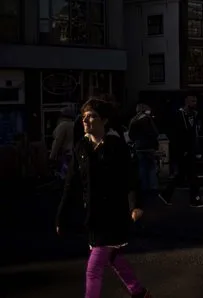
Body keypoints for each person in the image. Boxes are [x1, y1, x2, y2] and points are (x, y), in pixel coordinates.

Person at [56, 98, 151, 298]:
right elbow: (71, 184)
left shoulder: (116, 146)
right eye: (84, 117)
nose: (86, 121)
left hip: (113, 215)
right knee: (113, 257)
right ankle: (138, 291)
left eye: (92, 117)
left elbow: (131, 179)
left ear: (104, 120)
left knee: (94, 267)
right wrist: (61, 216)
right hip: (92, 216)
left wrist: (135, 205)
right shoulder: (81, 147)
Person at [158, 94, 203, 208]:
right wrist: (181, 149)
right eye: (192, 100)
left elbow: (193, 134)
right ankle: (194, 200)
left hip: (189, 150)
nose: (195, 103)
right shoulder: (179, 115)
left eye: (196, 101)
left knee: (181, 176)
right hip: (184, 151)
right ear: (186, 101)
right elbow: (176, 134)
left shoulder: (194, 115)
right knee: (193, 176)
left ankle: (166, 194)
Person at [128, 104, 160, 192]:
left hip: (138, 147)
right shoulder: (148, 119)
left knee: (141, 167)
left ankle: (143, 187)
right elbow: (155, 132)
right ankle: (153, 188)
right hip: (149, 146)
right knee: (151, 167)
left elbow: (130, 135)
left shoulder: (133, 120)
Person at [49, 106, 75, 179]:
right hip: (73, 154)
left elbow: (57, 141)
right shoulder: (75, 125)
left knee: (63, 177)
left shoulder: (63, 125)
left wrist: (52, 156)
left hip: (65, 155)